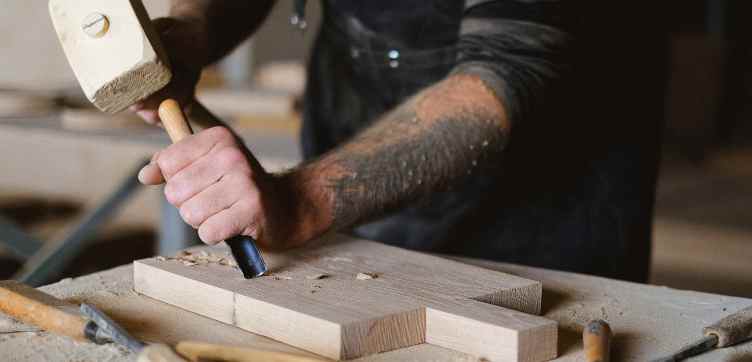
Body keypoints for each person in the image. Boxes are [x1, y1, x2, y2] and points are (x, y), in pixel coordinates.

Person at [133, 0, 665, 282]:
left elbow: (507, 66)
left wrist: (303, 201)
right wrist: (194, 28)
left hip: (542, 212)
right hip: (354, 171)